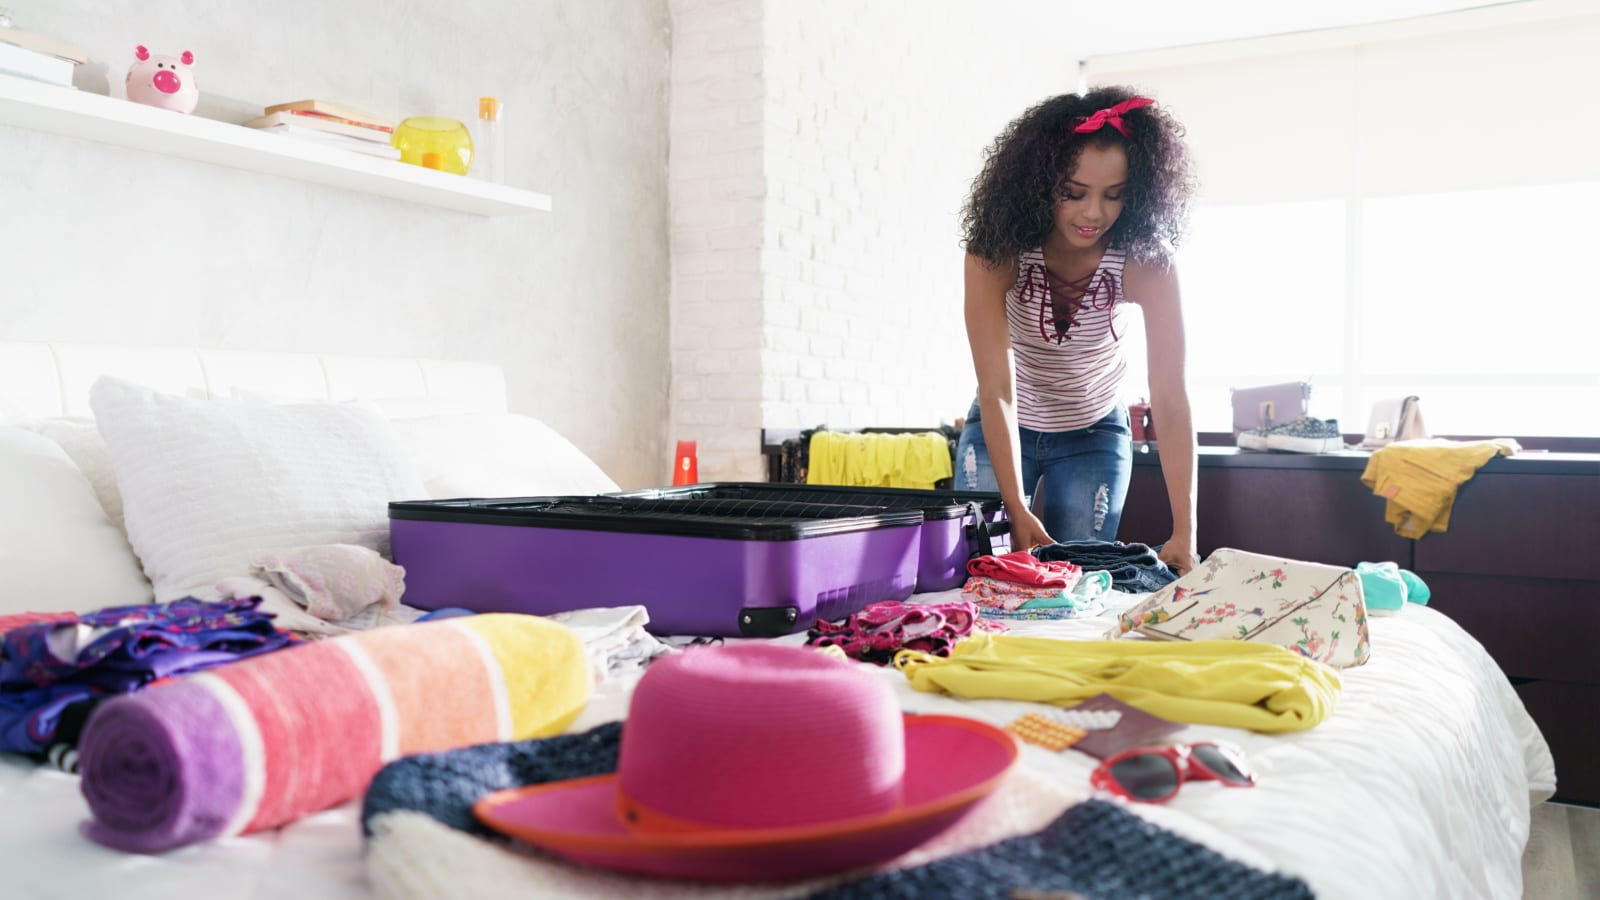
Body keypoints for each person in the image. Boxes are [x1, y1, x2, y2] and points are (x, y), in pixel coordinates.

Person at [954, 86, 1199, 574]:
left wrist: (1185, 532)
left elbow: (1170, 399)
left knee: (1077, 576)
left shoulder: (1147, 262)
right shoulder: (994, 253)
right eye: (1074, 193)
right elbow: (997, 390)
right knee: (981, 569)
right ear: (1039, 185)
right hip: (1002, 422)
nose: (1094, 213)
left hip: (1094, 430)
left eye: (1114, 195)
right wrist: (1016, 508)